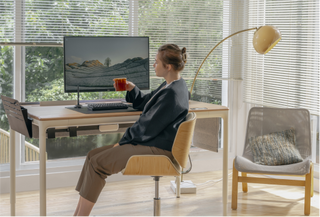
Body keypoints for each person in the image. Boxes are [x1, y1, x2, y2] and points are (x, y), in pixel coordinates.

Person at [73, 44, 189, 217]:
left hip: (159, 149)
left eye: (156, 62)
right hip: (152, 142)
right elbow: (146, 102)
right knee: (92, 156)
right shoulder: (170, 85)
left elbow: (147, 126)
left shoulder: (172, 93)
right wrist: (132, 89)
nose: (153, 65)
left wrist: (121, 142)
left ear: (168, 66)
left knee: (98, 164)